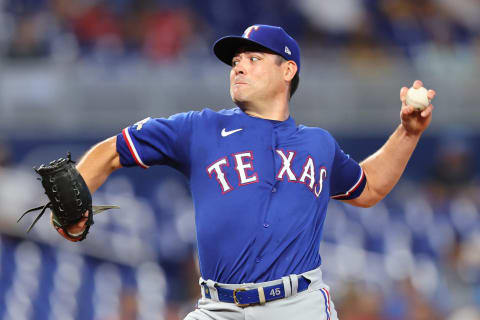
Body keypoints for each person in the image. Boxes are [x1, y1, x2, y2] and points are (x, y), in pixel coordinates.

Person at [56, 25, 436, 319]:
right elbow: (112, 151)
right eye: (236, 59)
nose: (238, 64)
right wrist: (73, 206)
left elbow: (368, 189)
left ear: (288, 70)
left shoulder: (318, 145)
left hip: (297, 306)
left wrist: (408, 132)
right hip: (218, 306)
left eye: (254, 58)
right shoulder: (198, 129)